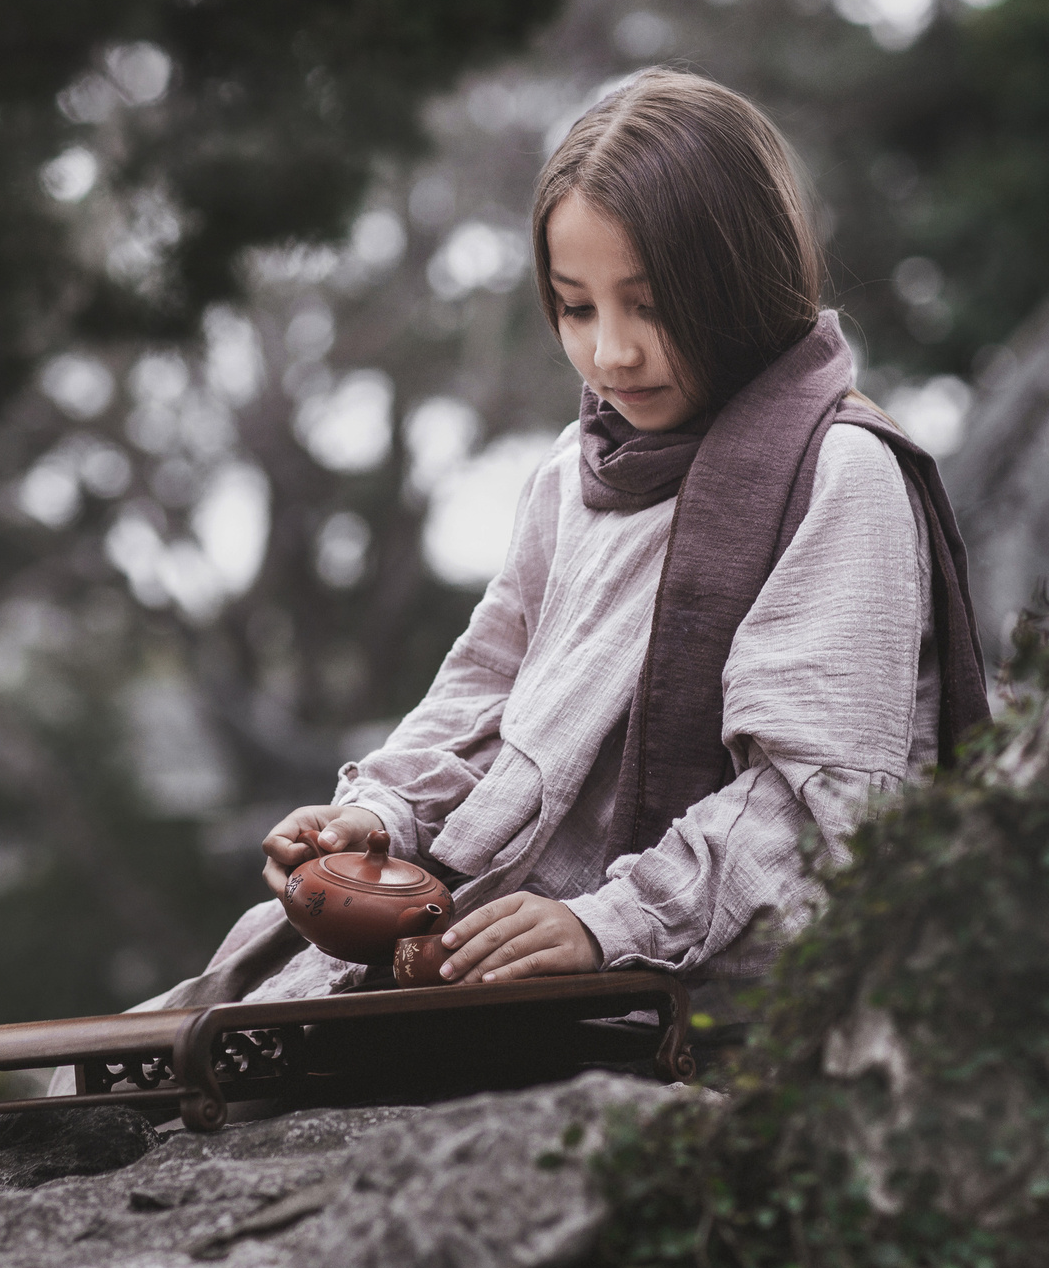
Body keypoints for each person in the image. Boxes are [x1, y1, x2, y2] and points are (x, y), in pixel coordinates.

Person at [172, 68, 989, 1012]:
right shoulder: (575, 471)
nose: (613, 352)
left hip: (694, 990)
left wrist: (611, 924)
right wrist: (376, 817)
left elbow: (818, 805)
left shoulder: (840, 472)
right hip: (495, 935)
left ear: (742, 280)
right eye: (577, 306)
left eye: (650, 303)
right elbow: (484, 694)